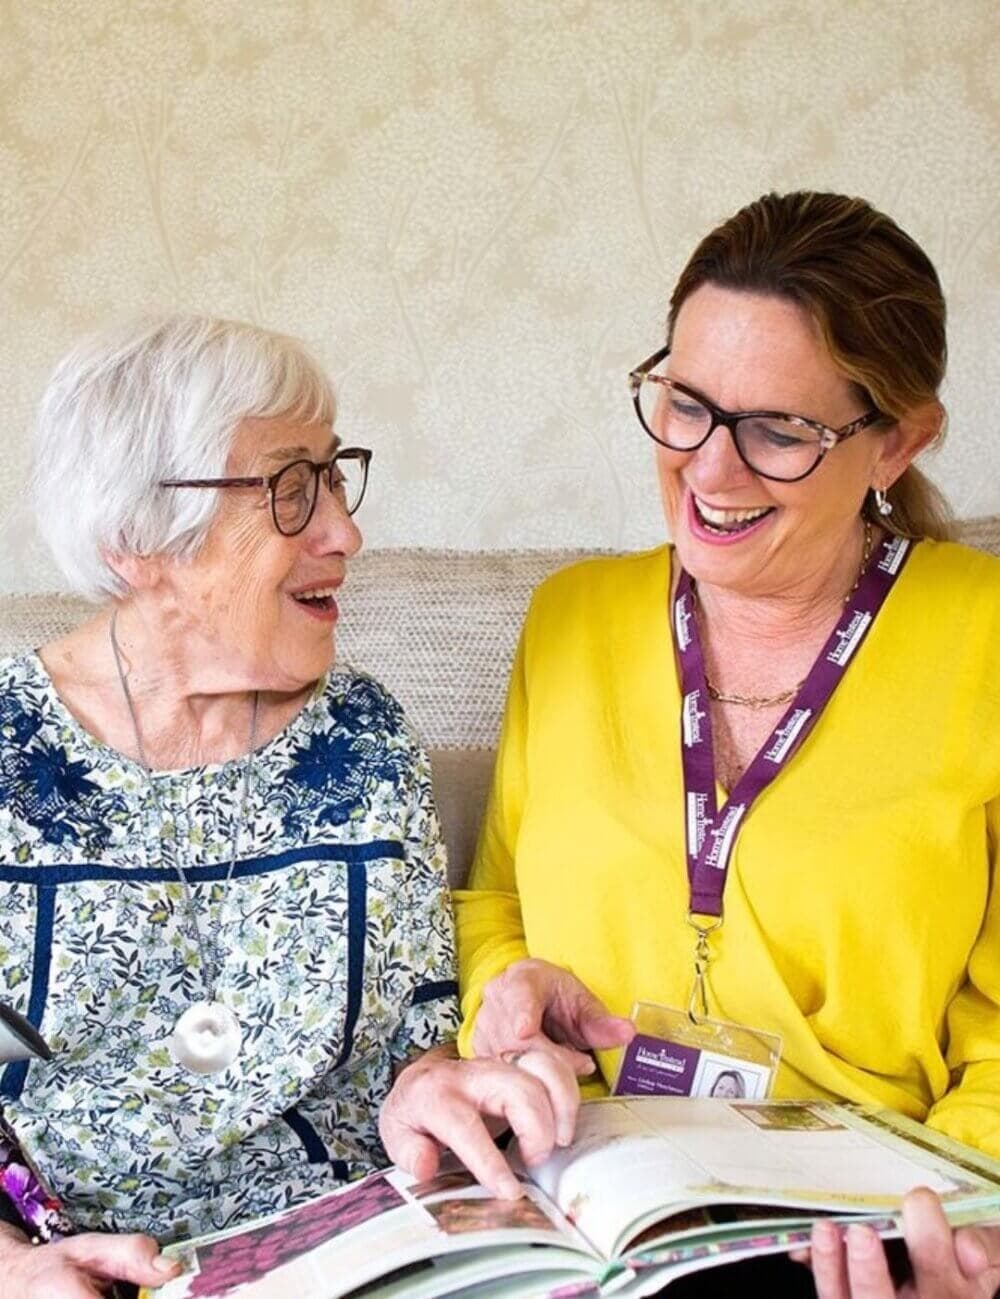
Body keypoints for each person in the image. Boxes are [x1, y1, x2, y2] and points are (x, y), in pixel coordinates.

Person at [455, 192, 1000, 1298]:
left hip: (860, 1220)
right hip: (585, 1199)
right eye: (686, 405)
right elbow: (494, 898)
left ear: (896, 440)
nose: (709, 470)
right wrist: (504, 994)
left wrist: (953, 1218)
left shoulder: (983, 637)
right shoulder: (572, 617)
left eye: (778, 430)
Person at [0, 314, 564, 1299]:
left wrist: (439, 1090)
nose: (344, 531)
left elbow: (409, 1047)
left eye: (334, 474)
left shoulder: (360, 737)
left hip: (362, 1254)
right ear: (139, 538)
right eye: (290, 488)